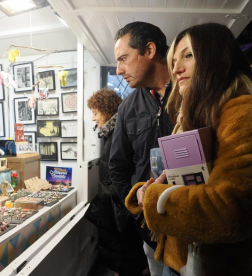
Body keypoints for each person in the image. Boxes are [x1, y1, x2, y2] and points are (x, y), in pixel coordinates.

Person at [125, 23, 252, 276]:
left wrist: (153, 198)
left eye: (189, 55)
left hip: (211, 264)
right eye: (174, 60)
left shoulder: (242, 112)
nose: (176, 68)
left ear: (215, 57)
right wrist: (146, 191)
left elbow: (230, 208)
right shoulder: (191, 115)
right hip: (180, 255)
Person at [109, 21, 175, 275]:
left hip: (190, 224)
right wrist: (137, 213)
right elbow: (118, 166)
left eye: (123, 58)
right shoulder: (127, 107)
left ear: (149, 50)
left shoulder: (191, 93)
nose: (118, 69)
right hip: (149, 228)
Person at [87, 88, 147, 276]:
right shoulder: (111, 134)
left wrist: (121, 208)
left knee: (127, 263)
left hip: (120, 215)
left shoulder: (116, 136)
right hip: (116, 213)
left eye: (95, 113)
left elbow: (118, 176)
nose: (93, 118)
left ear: (106, 110)